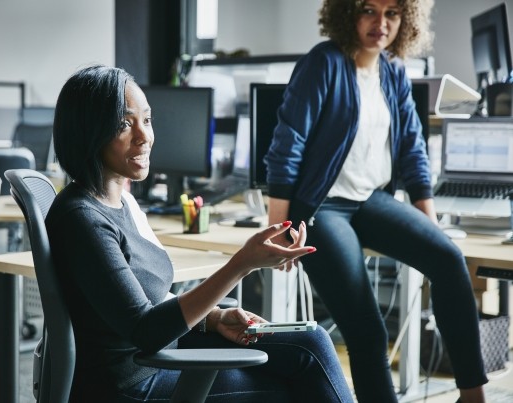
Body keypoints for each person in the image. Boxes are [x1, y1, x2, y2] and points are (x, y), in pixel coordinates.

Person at [46, 64, 354, 402]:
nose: (144, 136)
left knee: (312, 341)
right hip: (134, 383)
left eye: (146, 120)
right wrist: (241, 264)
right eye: (123, 123)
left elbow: (144, 298)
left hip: (162, 353)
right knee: (293, 386)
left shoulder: (122, 204)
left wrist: (213, 319)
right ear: (88, 131)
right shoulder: (83, 219)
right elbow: (145, 329)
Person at [264, 1, 488, 402]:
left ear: (406, 21)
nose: (380, 24)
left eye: (392, 13)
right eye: (369, 9)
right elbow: (288, 144)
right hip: (322, 207)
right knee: (369, 331)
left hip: (369, 200)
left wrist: (428, 223)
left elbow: (412, 150)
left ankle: (472, 395)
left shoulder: (393, 72)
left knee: (449, 259)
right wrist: (278, 232)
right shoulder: (324, 64)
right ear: (347, 13)